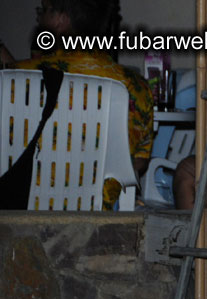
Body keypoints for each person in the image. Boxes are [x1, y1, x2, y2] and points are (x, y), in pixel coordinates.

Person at [0, 0, 153, 210]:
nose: (39, 17)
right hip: (94, 217)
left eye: (44, 11)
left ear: (61, 20)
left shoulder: (14, 80)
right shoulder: (136, 87)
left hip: (23, 212)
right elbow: (139, 162)